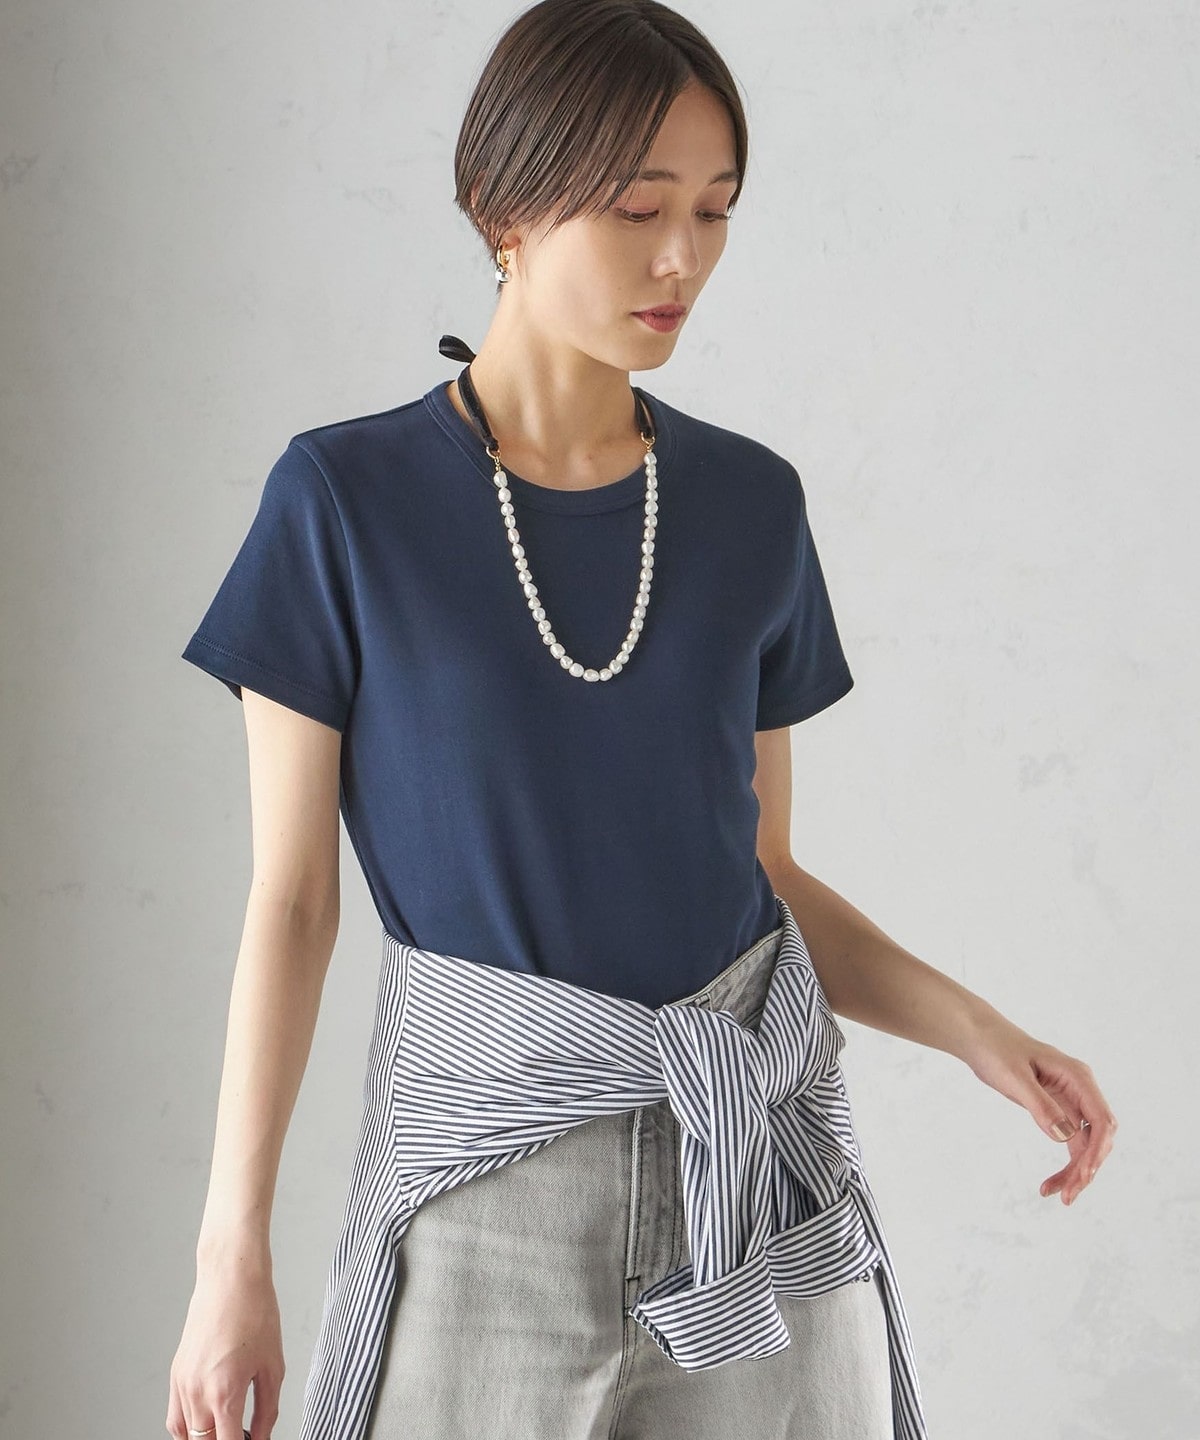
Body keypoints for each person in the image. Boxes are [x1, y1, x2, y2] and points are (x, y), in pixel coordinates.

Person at [165, 2, 1118, 1438]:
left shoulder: (750, 506)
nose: (683, 258)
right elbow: (293, 905)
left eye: (715, 211)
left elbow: (765, 875)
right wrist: (230, 1251)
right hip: (485, 1204)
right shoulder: (344, 503)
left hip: (758, 1190)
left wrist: (980, 1032)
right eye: (637, 208)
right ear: (503, 209)